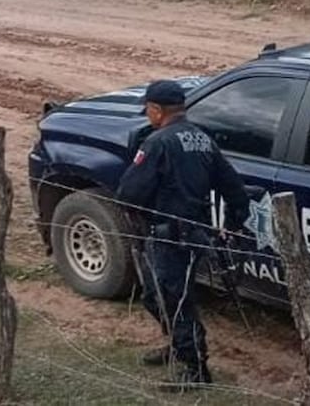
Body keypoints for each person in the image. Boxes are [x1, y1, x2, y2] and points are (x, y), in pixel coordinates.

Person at [116, 79, 250, 389]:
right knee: (156, 295)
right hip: (193, 234)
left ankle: (196, 369)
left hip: (168, 236)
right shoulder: (202, 138)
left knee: (173, 299)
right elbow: (233, 187)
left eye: (148, 110)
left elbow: (128, 192)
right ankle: (179, 344)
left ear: (156, 109)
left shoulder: (158, 142)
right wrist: (233, 224)